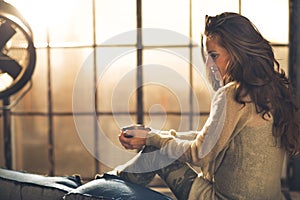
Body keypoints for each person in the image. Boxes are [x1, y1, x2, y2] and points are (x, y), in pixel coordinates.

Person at [116, 12, 300, 200]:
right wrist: (153, 135)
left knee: (157, 153)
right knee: (156, 144)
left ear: (237, 53)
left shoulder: (233, 95)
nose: (209, 64)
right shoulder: (273, 91)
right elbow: (210, 141)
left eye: (214, 55)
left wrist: (152, 140)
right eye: (207, 56)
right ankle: (107, 184)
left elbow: (200, 153)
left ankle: (103, 189)